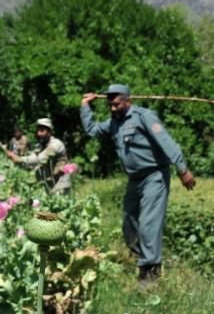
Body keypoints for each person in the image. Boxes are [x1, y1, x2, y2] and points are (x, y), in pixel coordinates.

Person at [80, 84, 196, 288]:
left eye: (116, 104)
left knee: (148, 224)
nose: (113, 109)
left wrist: (182, 169)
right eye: (110, 105)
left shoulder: (144, 116)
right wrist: (85, 106)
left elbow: (166, 141)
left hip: (154, 176)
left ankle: (150, 272)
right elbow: (92, 130)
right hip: (135, 180)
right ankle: (143, 258)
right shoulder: (114, 123)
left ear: (128, 101)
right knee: (129, 223)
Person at [6, 118, 68, 189]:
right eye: (38, 130)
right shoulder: (39, 146)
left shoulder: (56, 144)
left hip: (61, 183)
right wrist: (15, 159)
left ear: (49, 132)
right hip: (48, 183)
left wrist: (19, 159)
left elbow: (40, 158)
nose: (38, 133)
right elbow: (32, 160)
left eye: (42, 131)